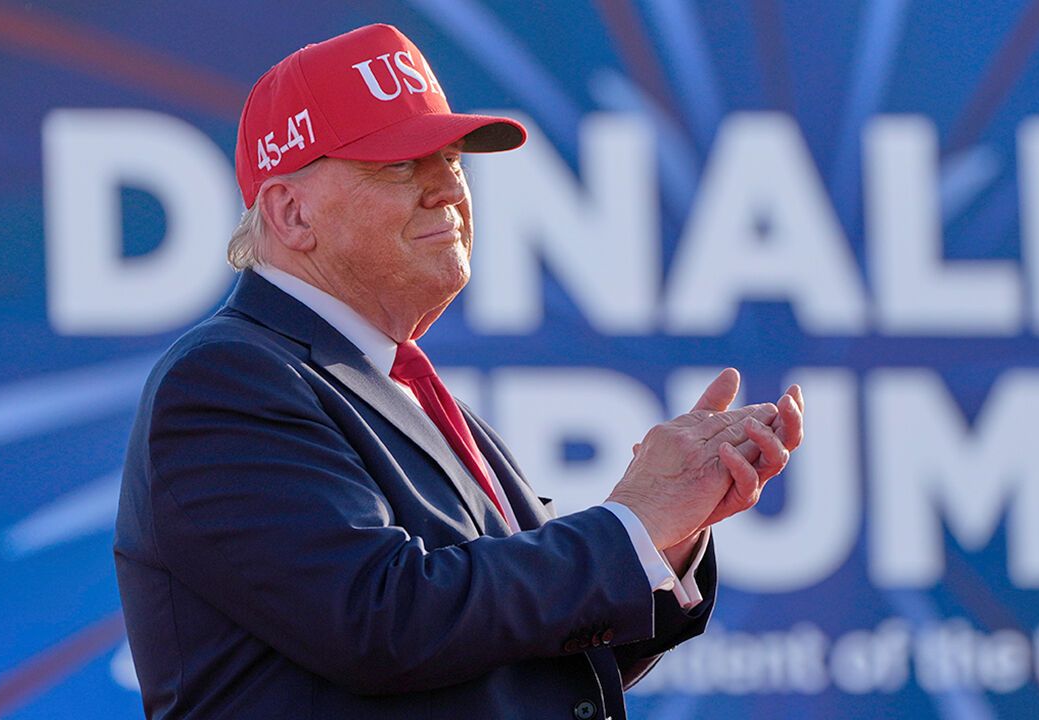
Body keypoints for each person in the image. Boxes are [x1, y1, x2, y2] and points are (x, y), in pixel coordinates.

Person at [114, 23, 803, 720]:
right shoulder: (226, 379)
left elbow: (530, 664)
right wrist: (631, 522)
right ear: (291, 213)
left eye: (450, 159)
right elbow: (381, 623)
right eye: (399, 165)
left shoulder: (398, 387)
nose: (448, 187)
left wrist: (665, 536)